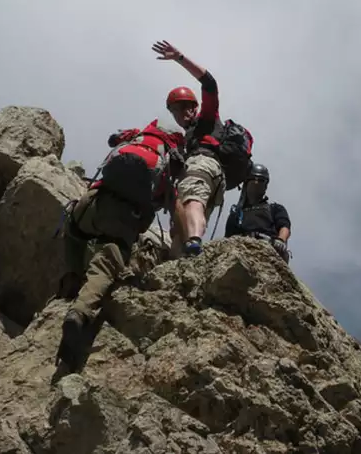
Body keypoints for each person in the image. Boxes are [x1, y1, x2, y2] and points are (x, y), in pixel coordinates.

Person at [55, 117, 184, 370]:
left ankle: (71, 278)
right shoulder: (172, 156)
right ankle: (79, 312)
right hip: (125, 216)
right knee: (108, 261)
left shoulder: (137, 136)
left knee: (73, 230)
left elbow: (112, 140)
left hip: (94, 200)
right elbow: (172, 200)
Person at [152, 40, 253, 257]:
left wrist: (180, 58)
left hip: (203, 166)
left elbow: (209, 84)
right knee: (182, 223)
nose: (181, 114)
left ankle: (194, 243)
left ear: (194, 107)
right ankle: (182, 260)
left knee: (191, 199)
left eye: (184, 107)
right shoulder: (188, 138)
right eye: (176, 111)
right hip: (215, 177)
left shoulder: (206, 120)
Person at [224, 163, 291, 263]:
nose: (257, 183)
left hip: (268, 249)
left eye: (261, 181)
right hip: (241, 249)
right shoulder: (237, 214)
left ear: (266, 186)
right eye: (254, 180)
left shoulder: (274, 208)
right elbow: (228, 239)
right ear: (247, 183)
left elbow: (284, 227)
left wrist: (281, 241)